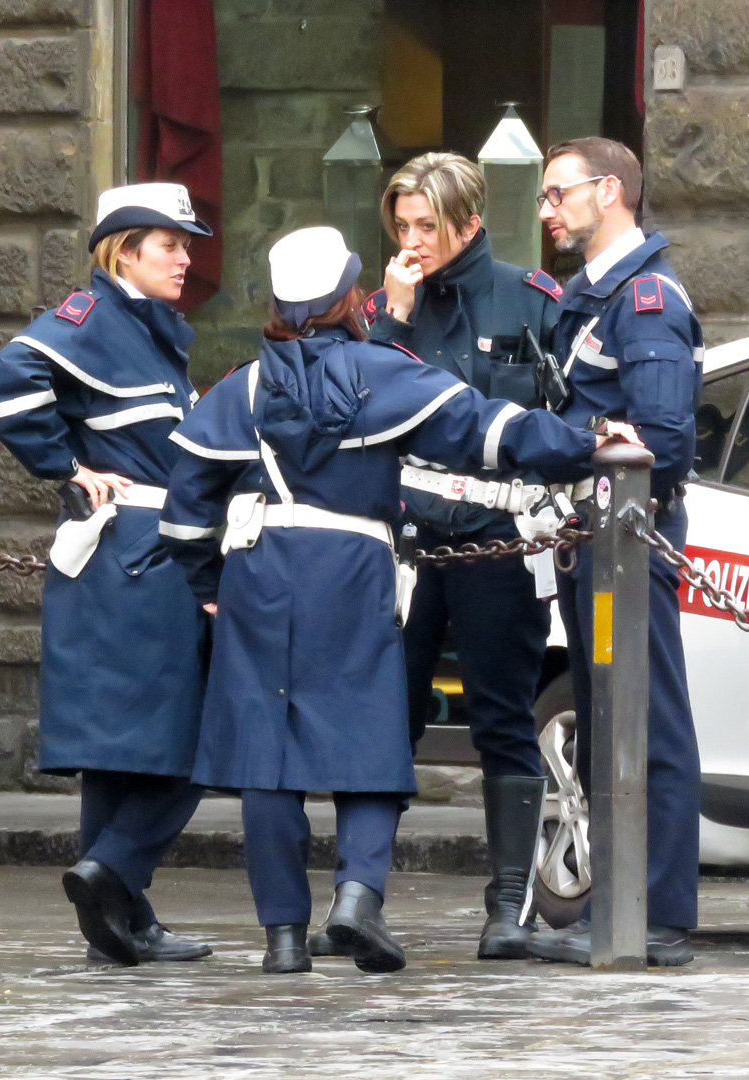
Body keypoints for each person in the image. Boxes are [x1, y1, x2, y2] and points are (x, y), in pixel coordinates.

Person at [158, 225, 638, 976]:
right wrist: (590, 442)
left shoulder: (241, 387)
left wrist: (208, 587)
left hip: (257, 570)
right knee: (369, 738)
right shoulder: (385, 372)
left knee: (265, 759)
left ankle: (284, 940)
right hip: (350, 568)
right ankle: (355, 897)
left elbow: (186, 511)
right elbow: (494, 431)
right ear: (351, 295)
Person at [320, 152, 567, 962]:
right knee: (381, 717)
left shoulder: (530, 298)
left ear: (470, 222)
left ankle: (508, 909)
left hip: (500, 539)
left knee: (502, 717)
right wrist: (390, 318)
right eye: (402, 225)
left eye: (428, 225)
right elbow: (349, 405)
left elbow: (561, 416)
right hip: (406, 547)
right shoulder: (382, 308)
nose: (413, 240)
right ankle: (359, 897)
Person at [0, 183, 214, 967]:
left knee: (122, 748)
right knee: (195, 735)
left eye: (186, 243)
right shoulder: (95, 318)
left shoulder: (141, 327)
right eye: (169, 244)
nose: (185, 257)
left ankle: (119, 924)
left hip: (131, 549)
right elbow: (4, 384)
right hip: (138, 547)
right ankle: (114, 871)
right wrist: (67, 467)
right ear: (123, 250)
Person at [529, 137, 703, 967]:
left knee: (647, 722)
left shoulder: (646, 301)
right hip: (589, 539)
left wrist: (581, 438)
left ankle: (660, 913)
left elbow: (660, 442)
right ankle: (622, 904)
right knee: (605, 723)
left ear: (611, 191)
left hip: (630, 543)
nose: (547, 210)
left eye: (559, 193)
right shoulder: (587, 298)